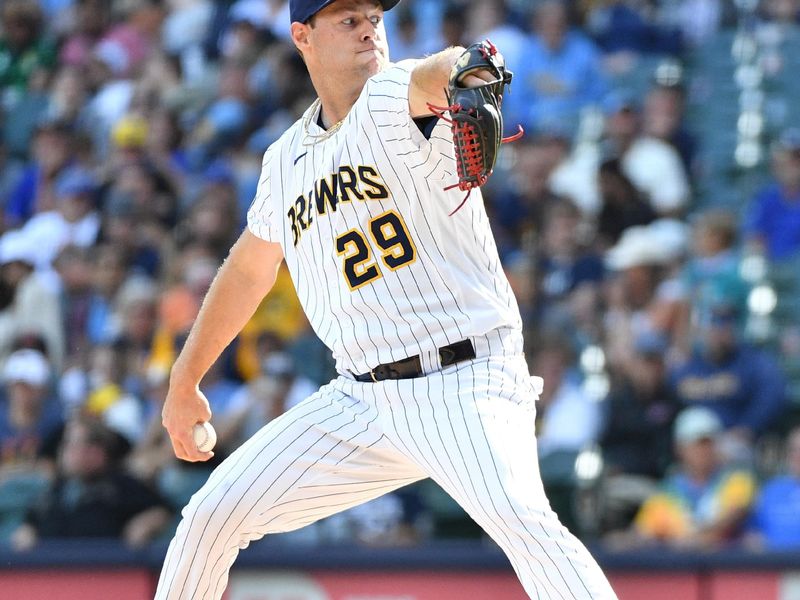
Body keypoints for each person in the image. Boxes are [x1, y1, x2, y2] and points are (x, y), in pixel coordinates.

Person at [156, 2, 618, 599]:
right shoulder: (285, 160)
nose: (369, 29)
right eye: (348, 20)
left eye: (373, 15)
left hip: (464, 379)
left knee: (524, 525)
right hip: (360, 401)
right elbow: (248, 268)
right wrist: (184, 379)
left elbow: (445, 68)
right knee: (209, 519)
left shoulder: (391, 95)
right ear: (303, 37)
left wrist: (471, 71)